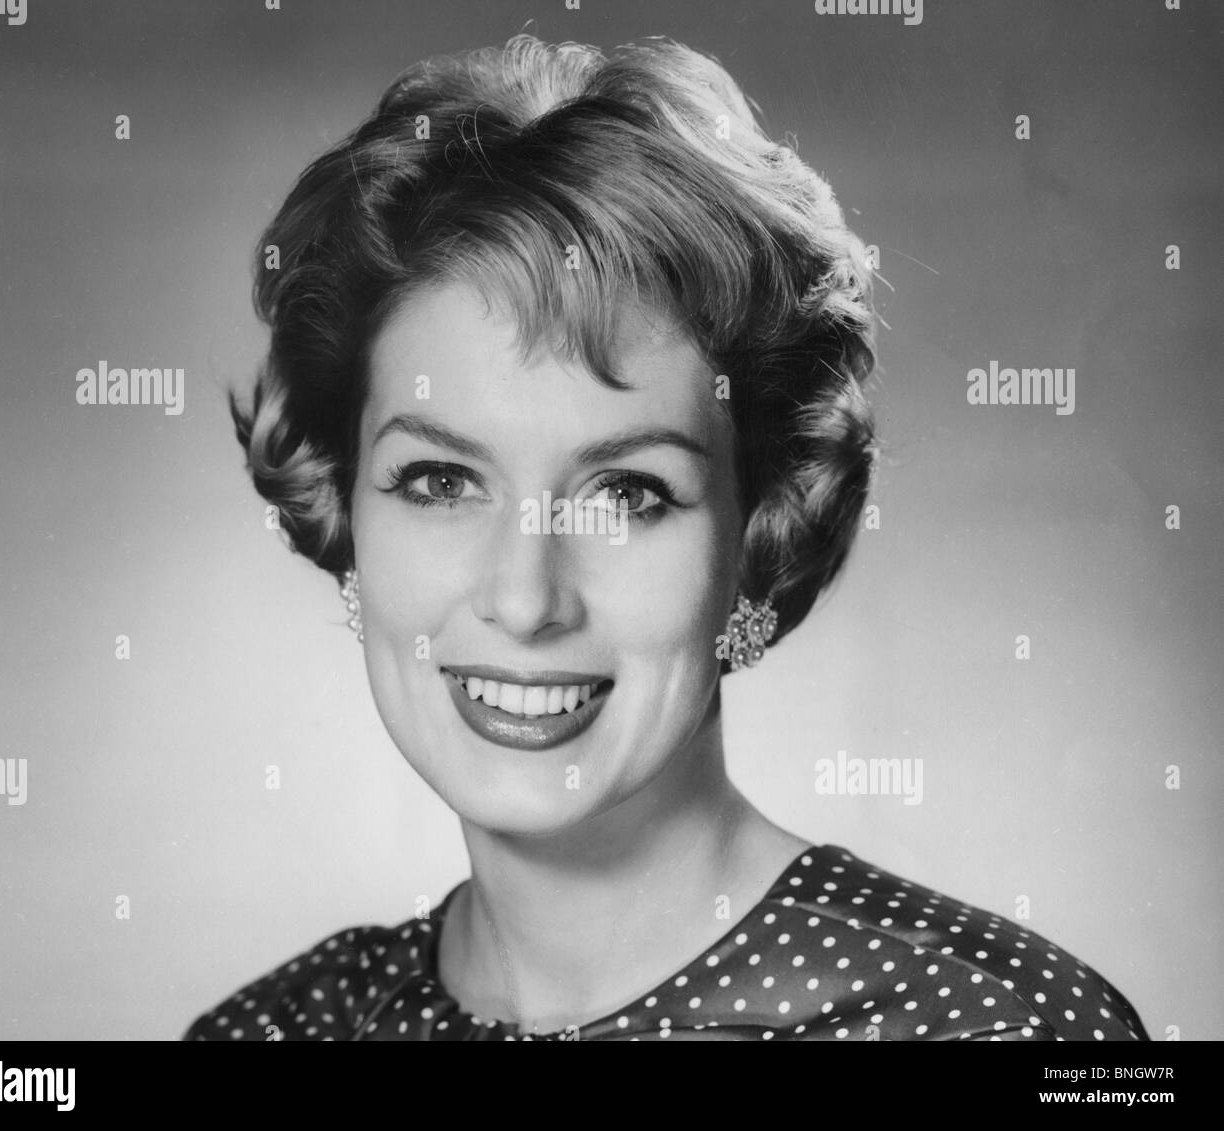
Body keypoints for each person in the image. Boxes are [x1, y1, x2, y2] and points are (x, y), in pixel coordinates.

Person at [184, 33, 1147, 1041]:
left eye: (629, 494)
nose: (524, 597)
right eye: (440, 480)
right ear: (344, 511)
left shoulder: (1001, 1031)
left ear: (758, 536)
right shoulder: (277, 1029)